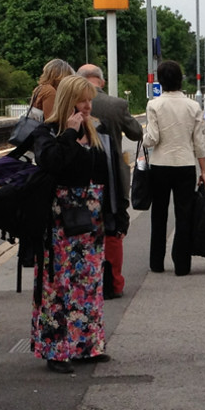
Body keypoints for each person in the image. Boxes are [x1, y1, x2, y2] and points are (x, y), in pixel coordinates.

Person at [31, 75, 129, 374]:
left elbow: (109, 173)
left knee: (89, 283)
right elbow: (52, 163)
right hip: (58, 221)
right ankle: (56, 350)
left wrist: (117, 213)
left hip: (91, 219)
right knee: (57, 285)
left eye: (89, 100)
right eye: (81, 101)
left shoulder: (96, 130)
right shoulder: (48, 132)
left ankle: (87, 345)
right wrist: (70, 134)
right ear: (67, 102)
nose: (87, 106)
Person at [77, 64, 143, 298]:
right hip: (112, 174)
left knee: (81, 229)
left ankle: (86, 282)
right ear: (102, 81)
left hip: (78, 177)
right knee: (114, 226)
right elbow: (137, 133)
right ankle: (113, 283)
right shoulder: (116, 105)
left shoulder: (68, 104)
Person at [143, 60, 205, 276]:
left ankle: (156, 262)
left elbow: (152, 138)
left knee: (159, 214)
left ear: (160, 81)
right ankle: (182, 265)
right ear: (180, 79)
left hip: (160, 165)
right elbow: (199, 143)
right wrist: (203, 171)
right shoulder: (193, 106)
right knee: (184, 215)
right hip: (185, 165)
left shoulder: (154, 105)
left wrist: (144, 138)